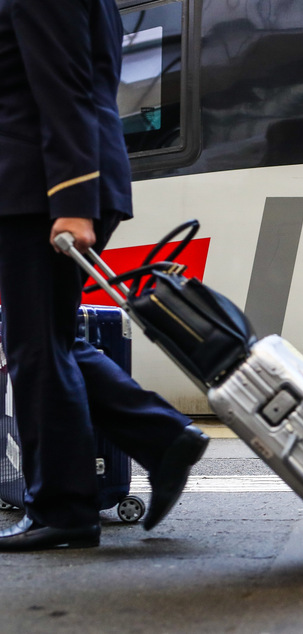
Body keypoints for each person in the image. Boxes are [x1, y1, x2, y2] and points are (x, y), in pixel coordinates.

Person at [0, 0, 209, 551]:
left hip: (44, 192)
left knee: (37, 348)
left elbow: (64, 87)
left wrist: (72, 201)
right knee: (51, 340)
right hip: (42, 186)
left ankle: (63, 509)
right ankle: (163, 439)